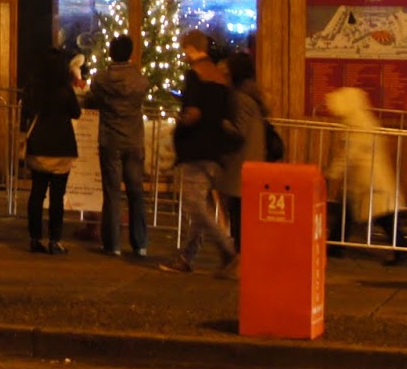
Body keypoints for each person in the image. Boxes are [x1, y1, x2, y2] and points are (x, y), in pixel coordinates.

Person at [160, 30, 240, 277]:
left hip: (195, 149)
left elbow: (193, 112)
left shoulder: (195, 75)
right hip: (215, 150)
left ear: (190, 48)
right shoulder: (221, 79)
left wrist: (180, 124)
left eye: (184, 49)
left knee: (195, 205)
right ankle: (186, 257)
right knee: (200, 206)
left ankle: (229, 251)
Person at [323, 86, 407, 266]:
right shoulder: (362, 119)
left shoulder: (357, 124)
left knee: (383, 216)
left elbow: (350, 153)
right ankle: (335, 247)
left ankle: (403, 251)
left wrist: (331, 173)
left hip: (368, 179)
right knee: (349, 212)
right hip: (365, 178)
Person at [81, 35, 149, 257]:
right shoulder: (140, 80)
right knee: (136, 192)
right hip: (134, 140)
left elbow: (93, 99)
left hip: (110, 140)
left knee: (112, 193)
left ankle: (113, 243)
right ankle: (140, 243)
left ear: (111, 52)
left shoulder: (102, 79)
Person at [20, 46, 80, 256]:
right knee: (57, 197)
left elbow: (25, 113)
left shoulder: (33, 87)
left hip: (39, 147)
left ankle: (35, 238)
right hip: (62, 147)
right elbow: (76, 112)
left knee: (37, 193)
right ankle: (55, 240)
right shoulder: (65, 89)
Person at [218, 52, 268, 252]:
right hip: (249, 164)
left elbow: (239, 131)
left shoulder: (240, 98)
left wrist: (219, 122)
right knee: (241, 216)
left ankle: (239, 259)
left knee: (237, 216)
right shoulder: (253, 96)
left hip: (240, 166)